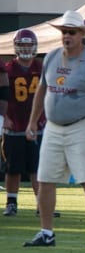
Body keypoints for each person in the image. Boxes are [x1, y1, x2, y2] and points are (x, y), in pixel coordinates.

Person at [23, 10, 85, 248]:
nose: (67, 36)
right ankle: (46, 232)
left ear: (82, 35)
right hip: (53, 127)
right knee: (45, 179)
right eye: (64, 32)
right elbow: (42, 91)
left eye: (72, 32)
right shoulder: (52, 57)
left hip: (83, 124)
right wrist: (33, 121)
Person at [3, 29, 59, 217]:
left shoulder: (42, 68)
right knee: (13, 168)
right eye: (23, 45)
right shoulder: (8, 69)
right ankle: (11, 202)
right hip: (15, 124)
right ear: (16, 47)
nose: (26, 48)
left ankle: (41, 204)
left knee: (39, 169)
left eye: (29, 45)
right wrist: (5, 117)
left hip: (38, 126)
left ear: (34, 47)